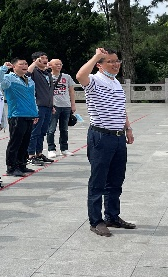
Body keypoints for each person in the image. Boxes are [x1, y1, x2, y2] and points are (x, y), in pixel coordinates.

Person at [75, 47, 137, 237]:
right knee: (98, 181)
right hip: (101, 136)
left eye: (117, 61)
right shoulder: (94, 80)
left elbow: (121, 108)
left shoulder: (115, 82)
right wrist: (96, 56)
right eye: (110, 61)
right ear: (99, 65)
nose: (116, 64)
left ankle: (112, 216)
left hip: (118, 136)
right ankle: (96, 221)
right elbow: (79, 76)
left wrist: (128, 128)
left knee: (116, 180)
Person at [0, 58, 39, 177]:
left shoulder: (29, 80)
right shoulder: (9, 78)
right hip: (17, 114)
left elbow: (33, 98)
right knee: (15, 142)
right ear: (14, 67)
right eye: (21, 64)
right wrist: (3, 68)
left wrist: (35, 112)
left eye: (26, 64)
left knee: (25, 142)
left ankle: (22, 164)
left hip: (29, 114)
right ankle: (11, 167)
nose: (25, 66)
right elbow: (0, 79)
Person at [27, 51, 54, 165]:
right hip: (38, 105)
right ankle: (30, 155)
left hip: (48, 106)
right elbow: (27, 74)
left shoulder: (47, 73)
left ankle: (39, 153)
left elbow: (50, 91)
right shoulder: (34, 72)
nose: (45, 60)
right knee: (35, 131)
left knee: (43, 131)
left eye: (46, 58)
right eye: (42, 58)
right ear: (35, 60)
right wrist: (34, 63)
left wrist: (52, 105)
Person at [46, 58, 77, 158]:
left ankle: (64, 149)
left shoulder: (67, 77)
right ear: (50, 65)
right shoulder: (47, 77)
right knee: (51, 129)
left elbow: (71, 91)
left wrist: (73, 104)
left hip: (66, 105)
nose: (59, 66)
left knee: (64, 129)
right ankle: (51, 149)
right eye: (56, 64)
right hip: (54, 106)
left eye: (60, 64)